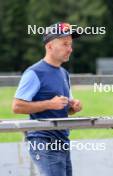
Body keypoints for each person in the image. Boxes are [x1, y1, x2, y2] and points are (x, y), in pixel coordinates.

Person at [12, 22, 82, 176]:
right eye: (65, 44)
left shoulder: (64, 73)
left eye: (70, 44)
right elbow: (17, 106)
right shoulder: (34, 73)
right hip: (43, 141)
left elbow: (64, 109)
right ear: (50, 46)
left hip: (62, 140)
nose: (70, 48)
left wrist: (73, 107)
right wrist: (50, 103)